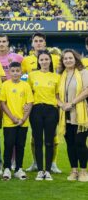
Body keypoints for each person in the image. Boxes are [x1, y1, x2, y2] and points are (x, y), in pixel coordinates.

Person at [28, 51, 62, 181]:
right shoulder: (32, 75)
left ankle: (47, 171)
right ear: (38, 61)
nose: (44, 62)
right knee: (37, 141)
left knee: (49, 141)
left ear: (50, 61)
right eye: (41, 59)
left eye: (46, 59)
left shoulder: (56, 77)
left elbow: (58, 96)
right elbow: (29, 94)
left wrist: (63, 105)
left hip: (51, 111)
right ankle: (39, 170)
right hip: (36, 110)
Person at [0, 62, 33, 181]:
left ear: (21, 72)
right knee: (8, 144)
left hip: (23, 122)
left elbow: (30, 103)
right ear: (9, 72)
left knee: (20, 146)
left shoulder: (26, 85)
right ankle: (7, 168)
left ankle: (19, 168)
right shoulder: (5, 85)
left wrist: (23, 119)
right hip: (9, 122)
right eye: (12, 71)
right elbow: (2, 103)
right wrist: (13, 118)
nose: (15, 73)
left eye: (17, 71)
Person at [59, 49, 88, 182]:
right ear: (62, 61)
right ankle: (73, 170)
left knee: (80, 142)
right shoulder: (60, 75)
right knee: (70, 143)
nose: (68, 60)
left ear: (75, 59)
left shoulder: (83, 72)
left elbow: (86, 90)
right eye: (65, 58)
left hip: (81, 113)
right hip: (65, 114)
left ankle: (83, 171)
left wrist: (72, 103)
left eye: (70, 58)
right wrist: (62, 104)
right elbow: (55, 94)